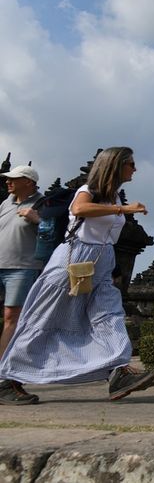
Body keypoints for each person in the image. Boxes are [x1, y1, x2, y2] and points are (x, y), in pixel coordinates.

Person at [0, 147, 154, 406]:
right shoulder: (89, 189)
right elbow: (79, 208)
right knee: (45, 318)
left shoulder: (114, 196)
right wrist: (124, 210)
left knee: (110, 315)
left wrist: (114, 268)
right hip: (74, 261)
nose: (135, 169)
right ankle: (8, 379)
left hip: (101, 262)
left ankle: (118, 371)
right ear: (115, 166)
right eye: (131, 164)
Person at [0, 165, 43, 404]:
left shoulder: (43, 204)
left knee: (11, 318)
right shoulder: (5, 203)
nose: (8, 182)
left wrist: (37, 219)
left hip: (23, 267)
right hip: (0, 263)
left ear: (28, 181)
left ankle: (4, 377)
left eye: (13, 179)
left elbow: (54, 232)